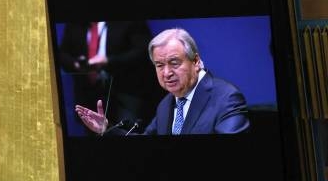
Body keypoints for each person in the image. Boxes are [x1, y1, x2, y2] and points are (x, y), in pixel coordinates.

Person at [75, 28, 250, 136]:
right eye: (159, 65)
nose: (166, 73)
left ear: (196, 61)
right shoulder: (166, 104)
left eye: (174, 63)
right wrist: (107, 129)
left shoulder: (226, 98)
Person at [57, 20, 158, 129]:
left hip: (126, 94)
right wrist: (76, 64)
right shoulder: (74, 24)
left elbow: (144, 52)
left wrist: (109, 61)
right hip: (89, 97)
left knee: (126, 131)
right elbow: (62, 54)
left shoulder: (129, 23)